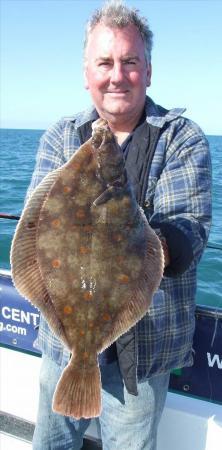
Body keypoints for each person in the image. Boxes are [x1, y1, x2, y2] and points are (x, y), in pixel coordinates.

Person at [27, 1, 212, 449]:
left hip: (142, 356)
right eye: (105, 62)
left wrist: (146, 244)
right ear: (87, 72)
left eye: (130, 62)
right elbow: (37, 229)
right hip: (62, 348)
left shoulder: (180, 137)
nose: (117, 74)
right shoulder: (63, 135)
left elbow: (190, 227)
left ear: (148, 71)